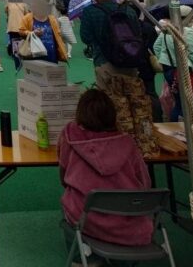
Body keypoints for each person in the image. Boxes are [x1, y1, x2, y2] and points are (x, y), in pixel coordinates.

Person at [58, 89, 153, 248]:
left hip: (85, 218)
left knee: (68, 200)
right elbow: (145, 182)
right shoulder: (128, 143)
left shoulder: (69, 136)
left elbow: (63, 176)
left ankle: (79, 255)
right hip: (129, 223)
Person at [80, 0, 145, 89]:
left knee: (108, 97)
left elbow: (86, 38)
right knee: (131, 96)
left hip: (104, 62)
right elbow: (138, 33)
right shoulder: (128, 10)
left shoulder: (90, 11)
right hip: (130, 60)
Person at [153, 5, 193, 120]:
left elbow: (156, 46)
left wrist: (165, 59)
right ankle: (187, 127)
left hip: (169, 70)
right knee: (188, 103)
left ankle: (175, 124)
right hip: (183, 70)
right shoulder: (186, 32)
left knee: (178, 101)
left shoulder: (167, 30)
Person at [18, 0, 69, 65]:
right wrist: (32, 33)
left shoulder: (52, 19)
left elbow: (58, 35)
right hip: (34, 55)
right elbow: (21, 31)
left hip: (51, 56)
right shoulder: (27, 18)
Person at [5, 0, 28, 66]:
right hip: (21, 25)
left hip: (12, 25)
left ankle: (13, 52)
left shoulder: (9, 2)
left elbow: (6, 11)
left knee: (12, 39)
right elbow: (26, 14)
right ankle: (18, 52)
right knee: (21, 40)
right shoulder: (24, 3)